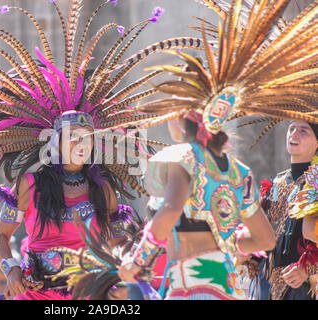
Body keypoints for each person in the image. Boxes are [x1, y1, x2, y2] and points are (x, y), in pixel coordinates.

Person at [0, 0, 202, 300]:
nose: (82, 144)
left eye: (87, 138)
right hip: (36, 291)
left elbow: (117, 237)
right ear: (56, 144)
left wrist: (123, 264)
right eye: (74, 138)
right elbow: (0, 235)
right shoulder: (30, 185)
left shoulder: (103, 188)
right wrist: (11, 270)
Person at [117, 0, 316, 300]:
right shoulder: (239, 172)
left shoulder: (182, 159)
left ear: (182, 115)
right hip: (227, 289)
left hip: (189, 288)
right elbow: (265, 238)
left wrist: (138, 259)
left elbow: (170, 211)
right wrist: (224, 242)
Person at [247, 121, 317, 300]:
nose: (294, 134)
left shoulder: (315, 184)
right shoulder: (275, 184)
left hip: (305, 289)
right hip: (268, 287)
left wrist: (307, 269)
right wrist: (253, 260)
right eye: (291, 129)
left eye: (303, 131)